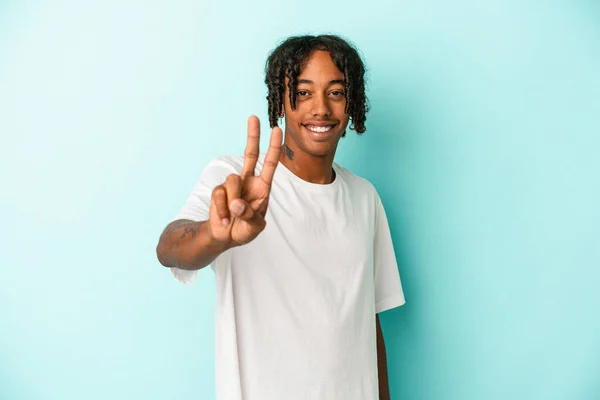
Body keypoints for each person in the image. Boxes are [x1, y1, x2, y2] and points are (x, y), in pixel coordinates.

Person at [156, 34, 406, 400]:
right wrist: (216, 235)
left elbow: (368, 325)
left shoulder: (365, 197)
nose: (320, 108)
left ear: (352, 103)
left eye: (336, 92)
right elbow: (169, 247)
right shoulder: (237, 180)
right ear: (281, 102)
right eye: (303, 92)